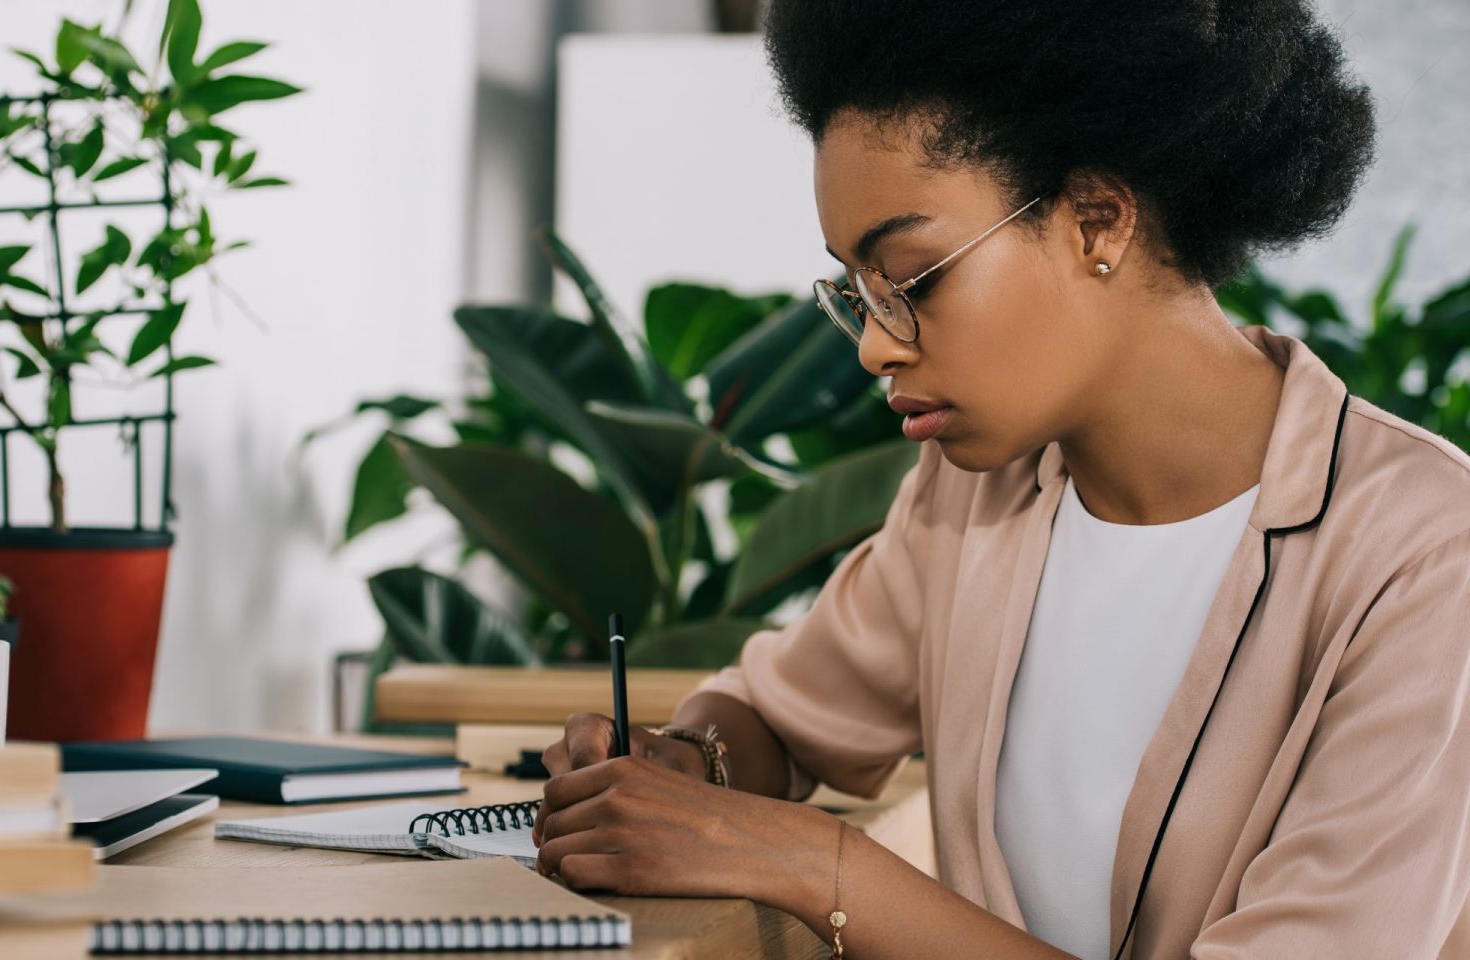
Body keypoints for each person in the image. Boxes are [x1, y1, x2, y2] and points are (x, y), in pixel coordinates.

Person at [531, 1, 1470, 957]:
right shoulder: (975, 496)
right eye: (856, 293)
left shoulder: (1424, 554)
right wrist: (689, 762)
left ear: (1095, 221)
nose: (873, 347)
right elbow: (784, 714)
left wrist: (817, 866)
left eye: (915, 278)